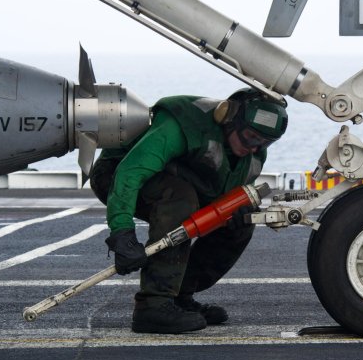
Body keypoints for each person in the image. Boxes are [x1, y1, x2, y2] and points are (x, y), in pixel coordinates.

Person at [89, 88, 288, 333]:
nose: (255, 148)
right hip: (115, 174)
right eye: (251, 138)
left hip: (181, 179)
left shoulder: (252, 154)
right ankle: (153, 305)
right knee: (180, 199)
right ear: (227, 117)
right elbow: (131, 171)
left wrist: (235, 213)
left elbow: (227, 195)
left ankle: (179, 296)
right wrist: (122, 233)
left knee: (244, 215)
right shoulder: (183, 123)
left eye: (265, 142)